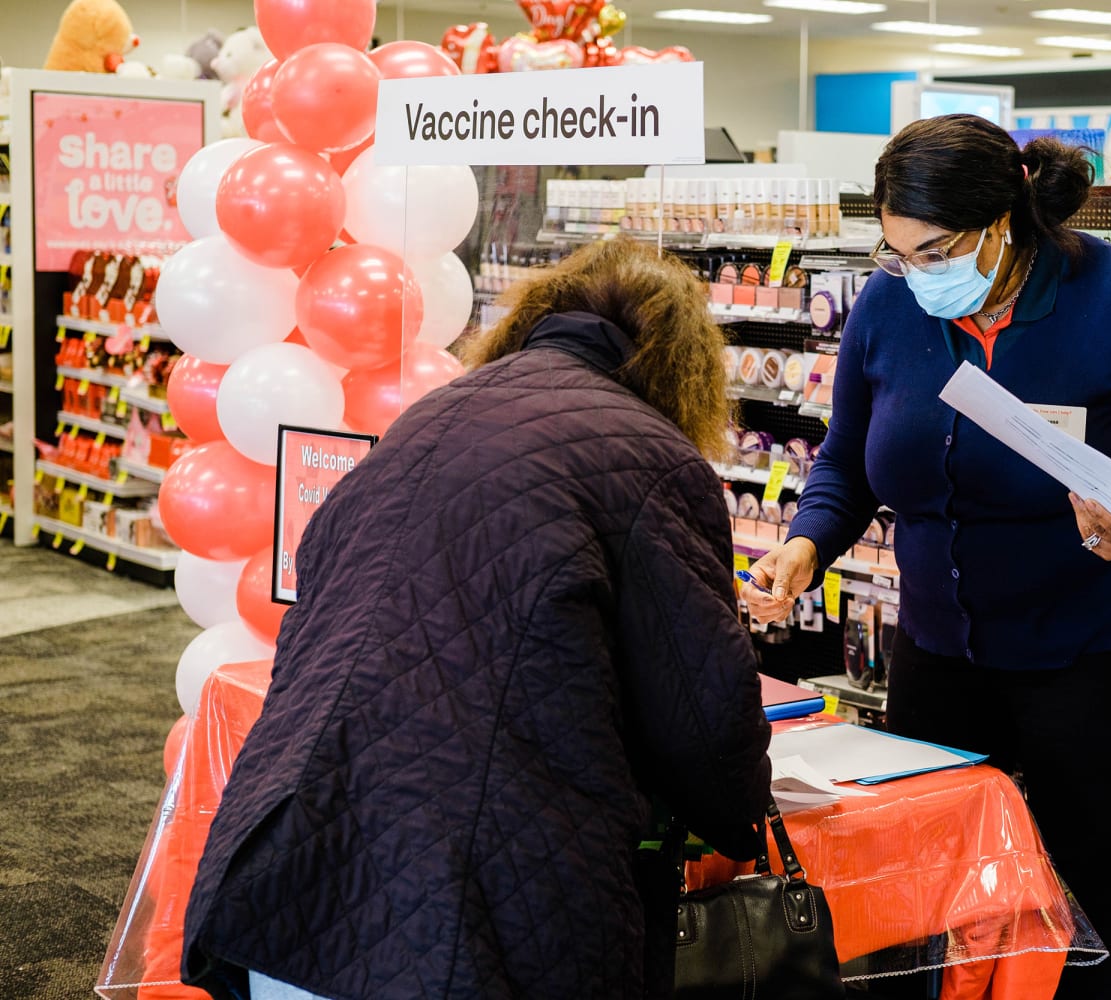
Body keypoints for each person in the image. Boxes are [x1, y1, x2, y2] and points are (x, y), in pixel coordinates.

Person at [181, 238, 773, 1000]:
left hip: (296, 861)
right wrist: (739, 813)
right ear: (679, 366)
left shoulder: (433, 415)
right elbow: (704, 711)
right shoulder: (653, 458)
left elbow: (318, 598)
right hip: (471, 899)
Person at [743, 114, 1111, 999]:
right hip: (937, 648)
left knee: (1075, 899)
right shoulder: (889, 304)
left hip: (1085, 652)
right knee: (924, 892)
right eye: (898, 251)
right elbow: (847, 459)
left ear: (1003, 219)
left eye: (935, 250)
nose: (916, 272)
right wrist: (806, 542)